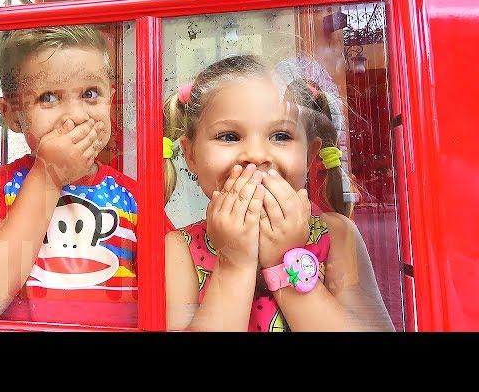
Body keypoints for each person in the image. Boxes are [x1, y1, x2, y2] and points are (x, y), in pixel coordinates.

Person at [163, 54, 395, 331]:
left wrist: (286, 260)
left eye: (281, 136)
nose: (257, 155)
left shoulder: (337, 235)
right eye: (229, 137)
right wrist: (233, 265)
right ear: (191, 155)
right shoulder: (180, 248)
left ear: (310, 154)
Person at [0, 25, 146, 327]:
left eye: (90, 93)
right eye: (49, 98)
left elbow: (172, 298)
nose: (76, 116)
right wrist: (48, 177)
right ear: (13, 114)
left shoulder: (134, 197)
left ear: (111, 98)